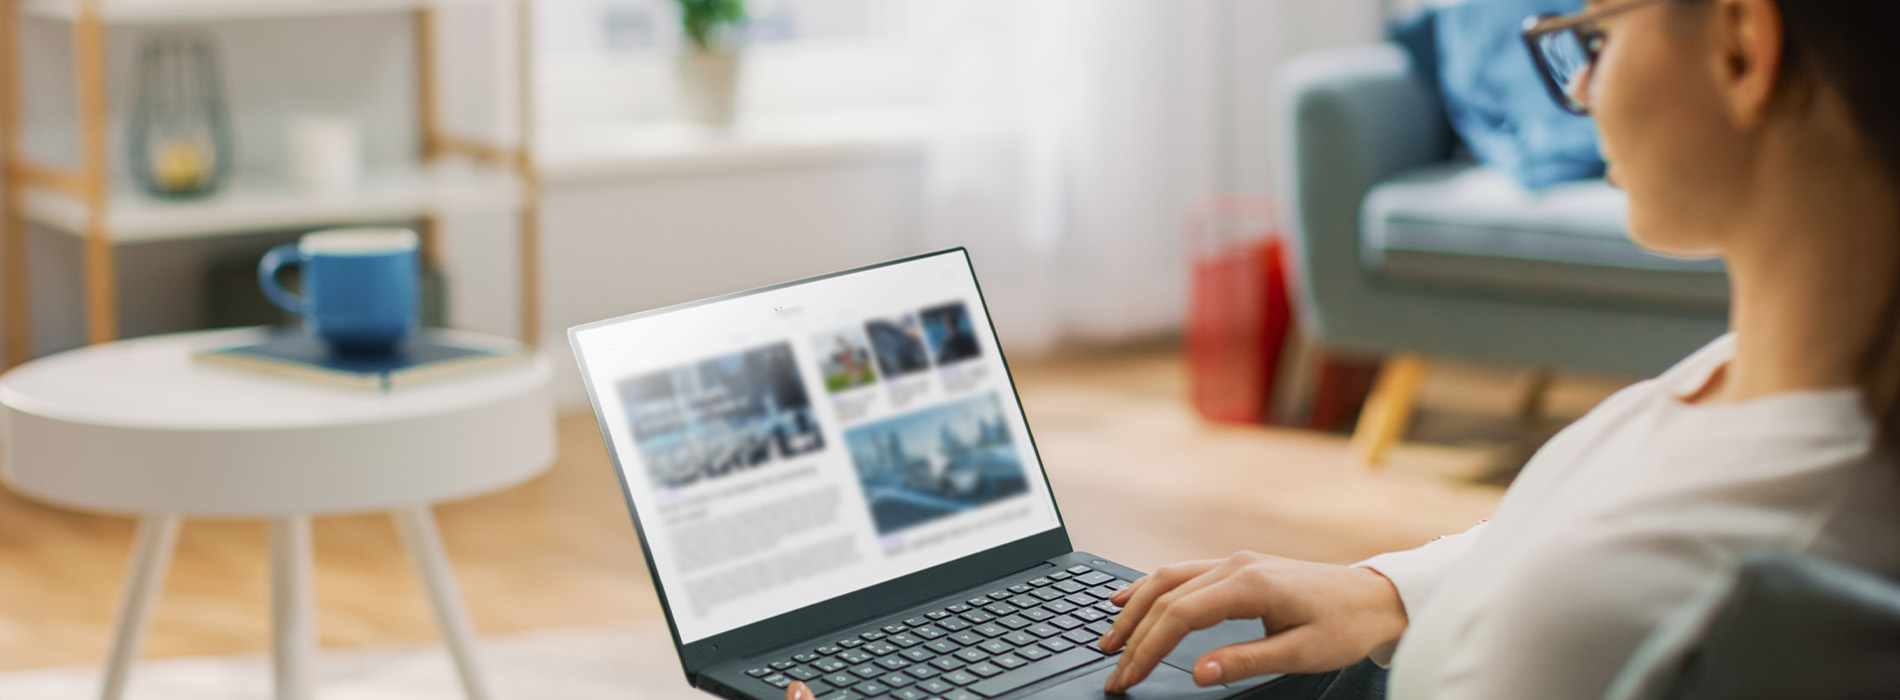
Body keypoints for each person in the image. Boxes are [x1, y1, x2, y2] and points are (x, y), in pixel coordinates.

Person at [789, 0, 1900, 697]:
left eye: (1594, 38)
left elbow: (1593, 590)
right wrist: (1386, 587)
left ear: (1744, 50)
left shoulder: (1682, 589)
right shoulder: (1769, 385)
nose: (1584, 91)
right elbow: (1588, 540)